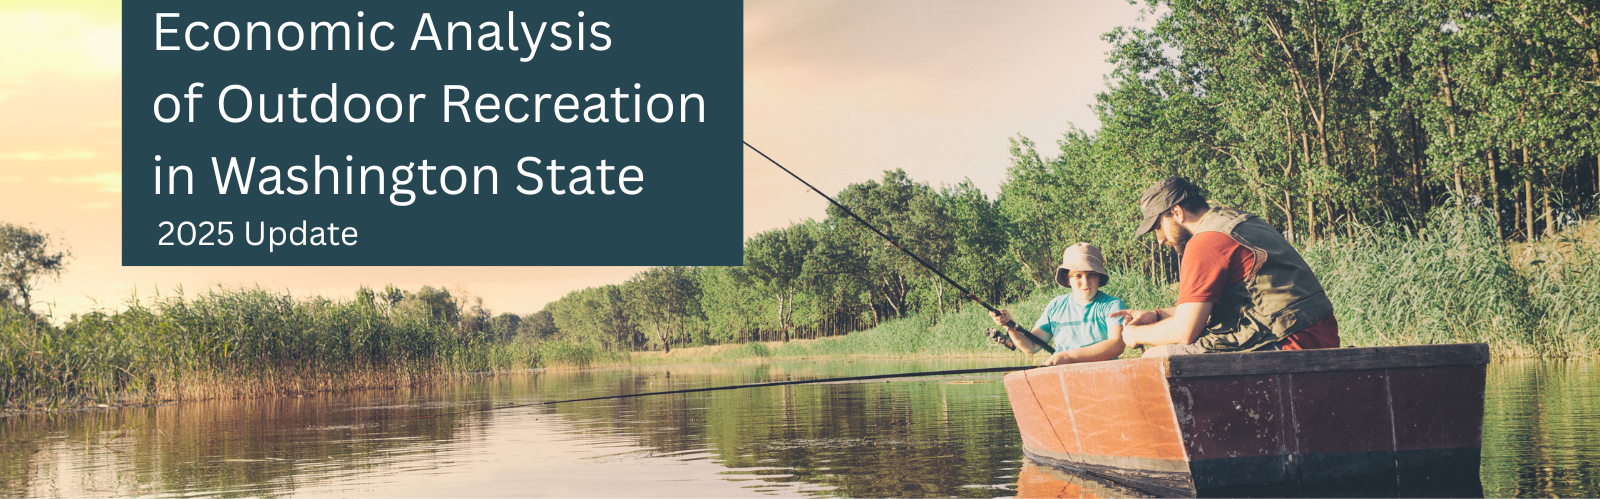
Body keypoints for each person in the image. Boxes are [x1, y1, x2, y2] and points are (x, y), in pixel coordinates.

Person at [1112, 177, 1340, 356]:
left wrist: (1136, 334)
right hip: (1316, 332)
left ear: (1177, 212)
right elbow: (1216, 306)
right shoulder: (1244, 221)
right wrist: (1157, 315)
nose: (1160, 240)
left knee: (1157, 357)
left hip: (1288, 344)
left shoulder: (1204, 242)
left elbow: (1184, 331)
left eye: (1158, 228)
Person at [989, 242, 1127, 366]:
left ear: (1099, 278)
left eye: (1091, 275)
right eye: (1078, 276)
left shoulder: (1113, 305)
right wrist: (1009, 325)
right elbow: (1031, 346)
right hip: (1064, 376)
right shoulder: (1056, 305)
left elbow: (1117, 345)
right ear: (1068, 279)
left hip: (1102, 375)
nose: (1085, 282)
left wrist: (1068, 357)